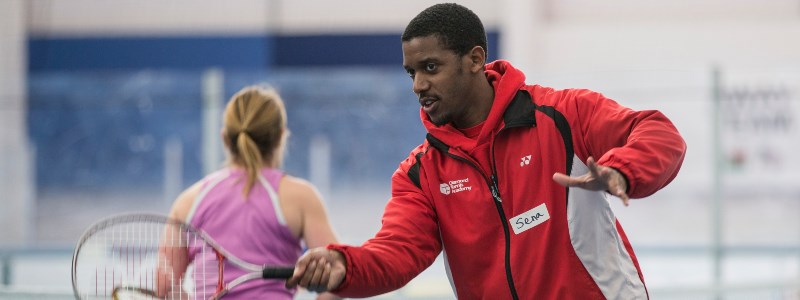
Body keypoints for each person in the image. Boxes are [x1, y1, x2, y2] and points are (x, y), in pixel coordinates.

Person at [286, 3, 686, 299]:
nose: (417, 86)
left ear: (475, 59)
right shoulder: (420, 174)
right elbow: (398, 251)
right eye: (411, 73)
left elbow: (659, 133)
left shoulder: (563, 115)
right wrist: (346, 265)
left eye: (430, 67)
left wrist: (621, 170)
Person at [161, 86, 341, 299]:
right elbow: (336, 278)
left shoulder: (187, 202)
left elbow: (165, 287)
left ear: (225, 138)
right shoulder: (301, 197)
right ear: (281, 136)